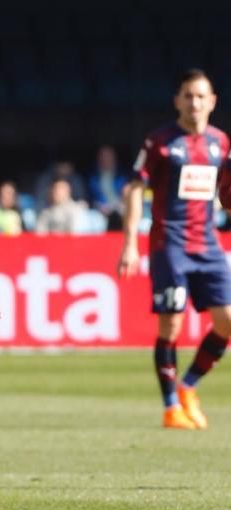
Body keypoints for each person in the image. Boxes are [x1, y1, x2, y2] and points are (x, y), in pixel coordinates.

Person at [117, 68, 231, 430]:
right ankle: (170, 408)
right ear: (177, 100)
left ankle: (188, 386)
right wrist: (130, 243)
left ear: (212, 101)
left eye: (201, 96)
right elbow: (135, 189)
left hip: (208, 243)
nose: (194, 102)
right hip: (171, 244)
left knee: (227, 322)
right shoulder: (161, 141)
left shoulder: (221, 143)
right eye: (188, 95)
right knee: (172, 325)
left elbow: (226, 194)